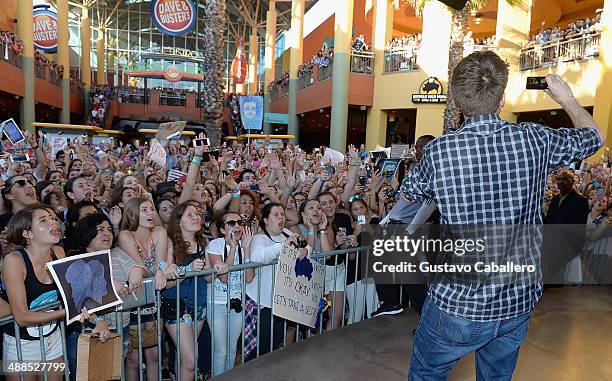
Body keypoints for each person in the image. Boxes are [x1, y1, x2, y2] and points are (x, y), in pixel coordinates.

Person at [404, 51, 604, 380]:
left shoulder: (438, 152)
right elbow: (594, 137)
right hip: (516, 301)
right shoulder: (535, 139)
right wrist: (566, 98)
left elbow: (411, 191)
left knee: (426, 375)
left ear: (455, 98)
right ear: (502, 97)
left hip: (457, 305)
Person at [1, 205, 90, 381]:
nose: (53, 222)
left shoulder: (58, 252)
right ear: (27, 234)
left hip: (53, 340)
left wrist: (98, 319)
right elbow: (22, 317)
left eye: (53, 218)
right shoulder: (14, 261)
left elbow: (74, 293)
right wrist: (68, 313)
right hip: (21, 345)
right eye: (43, 220)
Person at [244, 202, 309, 361]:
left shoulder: (287, 232)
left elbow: (307, 248)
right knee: (260, 348)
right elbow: (257, 257)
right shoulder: (260, 237)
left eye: (282, 214)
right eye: (276, 215)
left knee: (274, 344)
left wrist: (304, 250)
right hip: (262, 302)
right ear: (266, 219)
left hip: (281, 301)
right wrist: (283, 247)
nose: (281, 217)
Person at [118, 197, 170, 381]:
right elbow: (142, 268)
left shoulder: (160, 232)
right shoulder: (125, 235)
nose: (150, 213)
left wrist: (162, 268)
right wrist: (161, 270)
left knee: (155, 354)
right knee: (133, 358)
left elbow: (160, 262)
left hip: (154, 298)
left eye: (152, 209)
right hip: (133, 299)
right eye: (144, 210)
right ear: (133, 213)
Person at [163, 201, 210, 381]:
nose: (196, 217)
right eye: (189, 215)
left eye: (197, 214)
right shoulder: (170, 244)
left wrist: (220, 266)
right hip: (175, 306)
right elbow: (165, 284)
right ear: (179, 221)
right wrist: (188, 270)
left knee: (184, 358)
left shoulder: (203, 242)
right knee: (191, 361)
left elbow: (208, 278)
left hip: (198, 305)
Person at [206, 212, 255, 375]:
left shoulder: (245, 245)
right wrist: (233, 249)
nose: (236, 226)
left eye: (239, 222)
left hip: (237, 304)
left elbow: (249, 278)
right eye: (231, 223)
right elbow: (224, 277)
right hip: (217, 304)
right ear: (222, 229)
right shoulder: (216, 245)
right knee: (221, 351)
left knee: (232, 350)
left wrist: (246, 250)